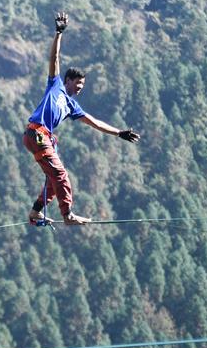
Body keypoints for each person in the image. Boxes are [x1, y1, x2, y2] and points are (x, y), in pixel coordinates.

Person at [23, 12, 140, 226]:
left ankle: (36, 212)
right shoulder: (55, 84)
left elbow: (94, 122)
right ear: (67, 80)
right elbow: (54, 58)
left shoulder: (71, 105)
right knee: (60, 175)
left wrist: (119, 132)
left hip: (41, 138)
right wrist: (59, 33)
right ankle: (67, 215)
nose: (80, 88)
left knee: (53, 179)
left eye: (83, 85)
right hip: (36, 133)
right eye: (78, 83)